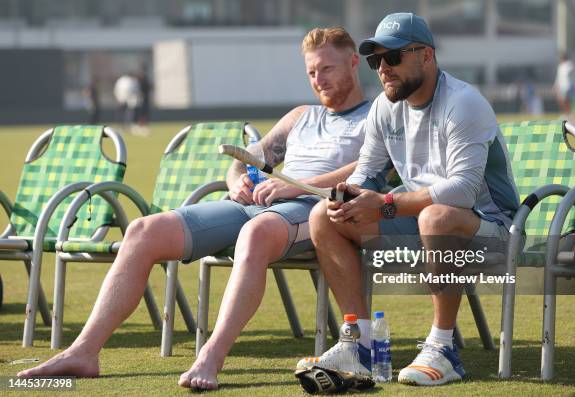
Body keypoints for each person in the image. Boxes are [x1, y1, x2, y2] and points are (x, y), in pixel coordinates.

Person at [17, 27, 371, 391]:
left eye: (327, 69)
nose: (318, 79)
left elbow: (366, 169)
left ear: (353, 61)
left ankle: (210, 357)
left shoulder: (375, 116)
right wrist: (238, 181)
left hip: (309, 211)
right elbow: (243, 159)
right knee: (143, 231)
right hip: (252, 205)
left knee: (255, 233)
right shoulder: (301, 116)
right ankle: (84, 351)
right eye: (311, 72)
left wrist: (290, 184)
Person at [298, 13, 519, 386]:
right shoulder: (386, 108)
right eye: (376, 60)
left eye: (394, 57)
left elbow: (463, 192)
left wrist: (384, 204)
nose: (383, 68)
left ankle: (443, 348)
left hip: (494, 229)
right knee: (324, 216)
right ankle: (360, 345)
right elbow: (365, 174)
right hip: (421, 221)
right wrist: (346, 196)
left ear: (427, 56)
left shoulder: (463, 103)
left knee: (437, 218)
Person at [554, 53, 575, 120]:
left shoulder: (569, 64)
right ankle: (566, 114)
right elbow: (558, 77)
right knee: (561, 100)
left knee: (566, 100)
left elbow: (571, 71)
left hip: (567, 86)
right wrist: (555, 85)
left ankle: (570, 114)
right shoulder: (560, 66)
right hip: (561, 85)